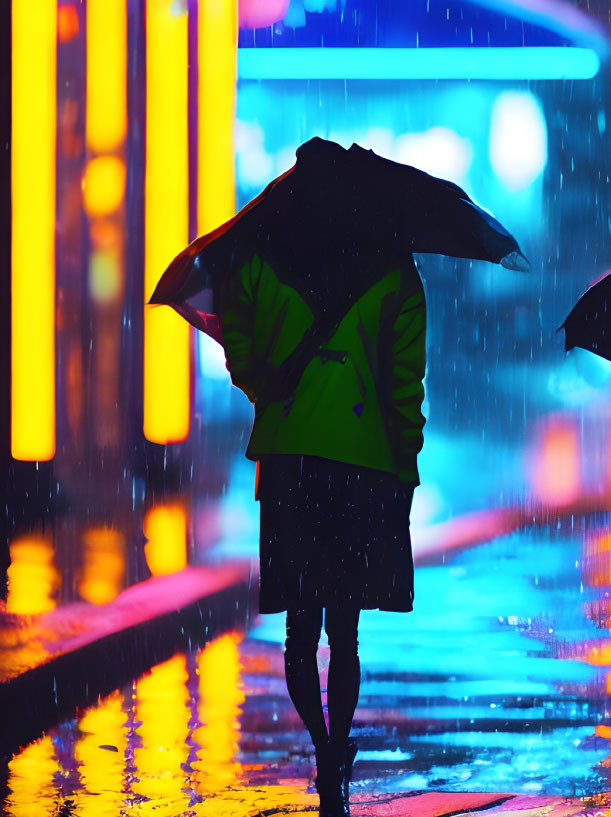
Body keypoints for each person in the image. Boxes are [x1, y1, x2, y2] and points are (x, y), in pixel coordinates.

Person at [218, 187, 426, 817]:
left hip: (290, 461)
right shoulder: (395, 268)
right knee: (346, 628)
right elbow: (405, 377)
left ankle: (323, 749)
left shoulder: (258, 259)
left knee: (298, 631)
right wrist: (406, 456)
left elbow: (243, 358)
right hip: (363, 463)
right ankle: (338, 745)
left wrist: (277, 385)